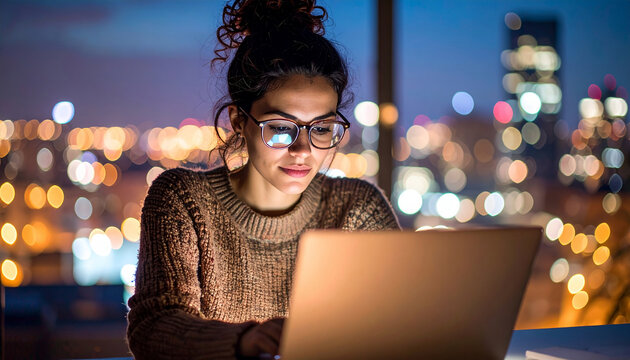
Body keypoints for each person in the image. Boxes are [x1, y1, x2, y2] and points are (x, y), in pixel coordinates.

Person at [126, 0, 400, 358]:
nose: (304, 150)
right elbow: (154, 328)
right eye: (282, 128)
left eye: (322, 128)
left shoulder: (357, 208)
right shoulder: (183, 201)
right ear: (239, 121)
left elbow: (404, 319)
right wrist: (244, 343)